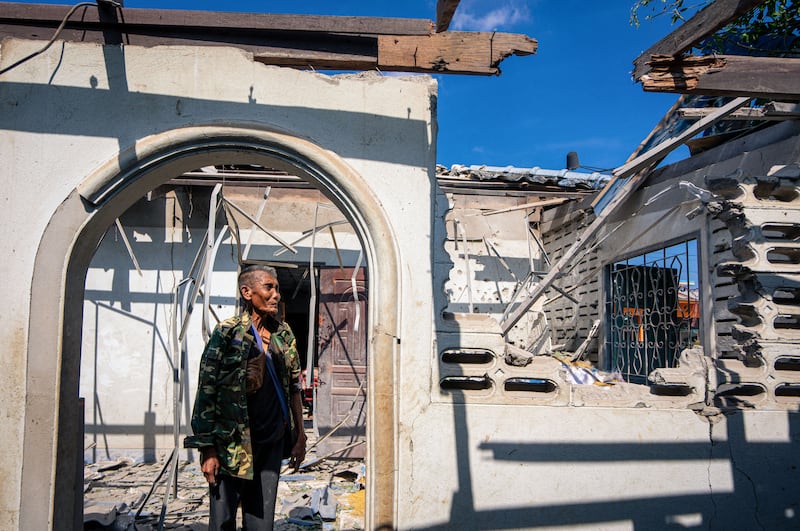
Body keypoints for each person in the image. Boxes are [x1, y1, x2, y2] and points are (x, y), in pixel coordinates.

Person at [185, 264, 307, 531]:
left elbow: (295, 388)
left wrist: (300, 436)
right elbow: (207, 389)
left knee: (261, 523)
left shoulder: (283, 335)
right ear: (247, 292)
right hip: (231, 444)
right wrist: (207, 448)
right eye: (269, 287)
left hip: (271, 441)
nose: (276, 295)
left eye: (277, 289)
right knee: (223, 521)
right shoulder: (227, 333)